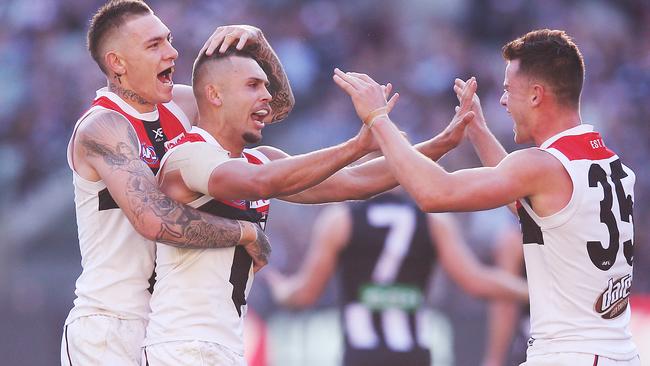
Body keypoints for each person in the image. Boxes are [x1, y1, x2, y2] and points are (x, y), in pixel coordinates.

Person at [141, 42, 477, 364]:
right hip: (182, 345)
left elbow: (356, 183)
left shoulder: (260, 160)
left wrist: (443, 142)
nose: (267, 96)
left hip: (223, 342)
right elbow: (262, 183)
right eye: (253, 85)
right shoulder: (189, 154)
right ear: (214, 94)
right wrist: (357, 146)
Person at [335, 29, 639, 365]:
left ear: (536, 95)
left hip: (570, 354)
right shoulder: (611, 165)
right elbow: (524, 199)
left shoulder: (542, 164)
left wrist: (379, 119)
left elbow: (434, 193)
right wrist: (477, 129)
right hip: (613, 351)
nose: (503, 100)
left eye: (509, 89)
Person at [62, 2, 281, 365]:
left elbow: (269, 109)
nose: (172, 52)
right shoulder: (102, 126)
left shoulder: (180, 104)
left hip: (165, 326)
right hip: (111, 324)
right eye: (154, 45)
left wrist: (259, 45)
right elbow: (154, 220)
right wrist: (246, 232)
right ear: (117, 63)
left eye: (168, 39)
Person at [264, 188, 528, 366]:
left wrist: (281, 289)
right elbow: (477, 281)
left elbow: (305, 293)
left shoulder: (340, 220)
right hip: (413, 354)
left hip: (361, 354)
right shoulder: (434, 222)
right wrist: (532, 290)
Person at [482, 223, 528, 366]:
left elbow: (504, 304)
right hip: (537, 339)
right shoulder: (514, 241)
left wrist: (494, 358)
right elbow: (505, 304)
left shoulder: (514, 241)